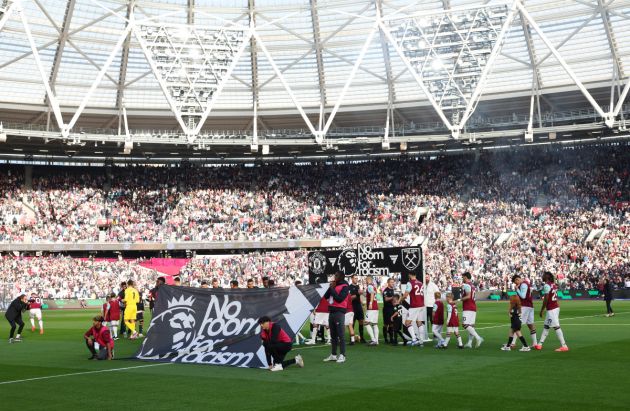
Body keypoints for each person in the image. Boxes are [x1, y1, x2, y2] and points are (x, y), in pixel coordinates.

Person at [535, 272, 569, 352]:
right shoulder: (553, 284)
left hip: (552, 309)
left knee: (556, 326)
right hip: (555, 307)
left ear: (546, 277)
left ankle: (564, 346)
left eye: (543, 275)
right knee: (546, 326)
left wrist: (542, 310)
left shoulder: (547, 285)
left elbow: (546, 299)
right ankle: (540, 344)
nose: (542, 276)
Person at [323, 272, 349, 363]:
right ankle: (333, 355)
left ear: (341, 277)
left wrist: (332, 289)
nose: (335, 277)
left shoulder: (345, 286)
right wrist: (329, 288)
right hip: (332, 312)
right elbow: (326, 296)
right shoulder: (334, 285)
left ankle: (342, 355)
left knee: (341, 335)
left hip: (339, 312)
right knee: (333, 336)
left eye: (336, 275)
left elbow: (339, 299)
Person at [511, 274, 538, 347]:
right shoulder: (526, 283)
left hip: (524, 306)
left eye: (515, 282)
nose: (516, 284)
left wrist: (517, 290)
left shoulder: (523, 285)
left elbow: (523, 296)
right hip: (530, 306)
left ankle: (512, 343)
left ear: (517, 279)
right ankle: (535, 343)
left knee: (517, 324)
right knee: (530, 325)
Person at [401, 272, 425, 347]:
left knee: (407, 323)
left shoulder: (410, 283)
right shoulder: (420, 283)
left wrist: (399, 300)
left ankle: (414, 339)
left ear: (410, 275)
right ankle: (421, 341)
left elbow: (405, 295)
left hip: (414, 306)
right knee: (419, 323)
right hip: (421, 305)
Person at [461, 272, 483, 348]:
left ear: (466, 277)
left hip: (468, 307)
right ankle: (469, 343)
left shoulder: (466, 285)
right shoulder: (473, 286)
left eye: (463, 277)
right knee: (471, 326)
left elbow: (468, 296)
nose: (462, 279)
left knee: (465, 324)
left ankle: (478, 338)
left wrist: (461, 299)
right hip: (473, 307)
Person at [348, 275, 365, 343]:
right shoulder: (349, 287)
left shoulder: (358, 286)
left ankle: (362, 337)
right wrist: (358, 294)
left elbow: (359, 296)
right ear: (352, 279)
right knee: (352, 323)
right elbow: (350, 298)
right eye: (355, 278)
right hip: (352, 307)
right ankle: (351, 338)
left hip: (358, 306)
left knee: (361, 321)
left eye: (357, 278)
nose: (356, 279)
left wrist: (362, 303)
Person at [364, 275, 380, 346]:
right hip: (376, 308)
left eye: (366, 279)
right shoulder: (374, 287)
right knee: (374, 324)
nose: (365, 280)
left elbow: (372, 293)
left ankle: (373, 340)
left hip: (371, 308)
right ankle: (376, 341)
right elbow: (376, 296)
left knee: (366, 323)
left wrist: (370, 303)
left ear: (368, 279)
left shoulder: (370, 286)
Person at [424, 274, 440, 341]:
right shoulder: (422, 285)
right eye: (425, 277)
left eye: (427, 277)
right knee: (425, 321)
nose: (426, 278)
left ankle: (435, 335)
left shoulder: (433, 285)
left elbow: (438, 294)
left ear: (429, 277)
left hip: (431, 305)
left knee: (433, 321)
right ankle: (425, 335)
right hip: (424, 306)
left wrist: (436, 303)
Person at [382, 277, 395, 344]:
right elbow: (386, 299)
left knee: (392, 324)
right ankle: (386, 339)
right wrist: (393, 297)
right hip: (387, 309)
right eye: (391, 282)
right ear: (388, 283)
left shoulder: (393, 290)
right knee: (386, 324)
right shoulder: (386, 290)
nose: (393, 283)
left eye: (393, 282)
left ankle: (391, 338)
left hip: (392, 308)